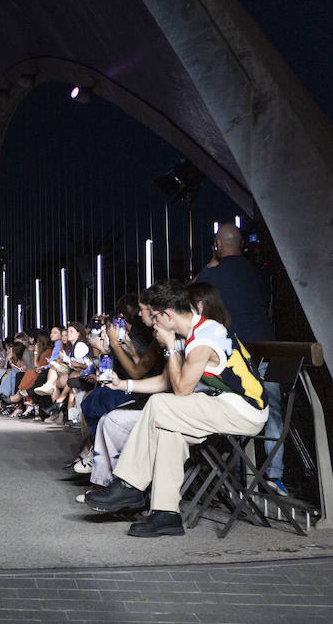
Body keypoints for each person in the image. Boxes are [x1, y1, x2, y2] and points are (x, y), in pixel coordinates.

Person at [84, 279, 266, 537]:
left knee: (161, 405)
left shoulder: (205, 336)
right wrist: (123, 384)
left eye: (154, 318)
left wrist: (169, 346)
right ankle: (165, 514)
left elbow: (180, 391)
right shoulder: (188, 335)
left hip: (245, 410)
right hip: (221, 403)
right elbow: (165, 381)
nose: (152, 325)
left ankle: (129, 484)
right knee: (170, 431)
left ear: (167, 315)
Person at [195, 224, 286, 492]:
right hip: (270, 349)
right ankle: (274, 477)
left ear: (217, 245)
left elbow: (190, 296)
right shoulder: (259, 274)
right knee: (273, 412)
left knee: (231, 407)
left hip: (236, 355)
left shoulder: (214, 275)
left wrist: (211, 263)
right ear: (243, 245)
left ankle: (234, 473)